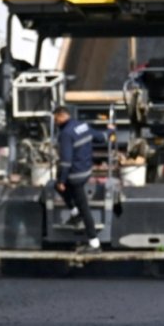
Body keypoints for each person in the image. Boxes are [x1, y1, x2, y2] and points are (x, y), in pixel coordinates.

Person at [53, 106, 100, 253]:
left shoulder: (66, 133)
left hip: (76, 175)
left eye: (56, 118)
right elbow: (100, 137)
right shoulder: (82, 126)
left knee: (84, 207)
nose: (55, 122)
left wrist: (62, 180)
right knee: (56, 184)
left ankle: (94, 243)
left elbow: (66, 161)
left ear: (61, 116)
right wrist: (111, 131)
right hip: (86, 171)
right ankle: (75, 213)